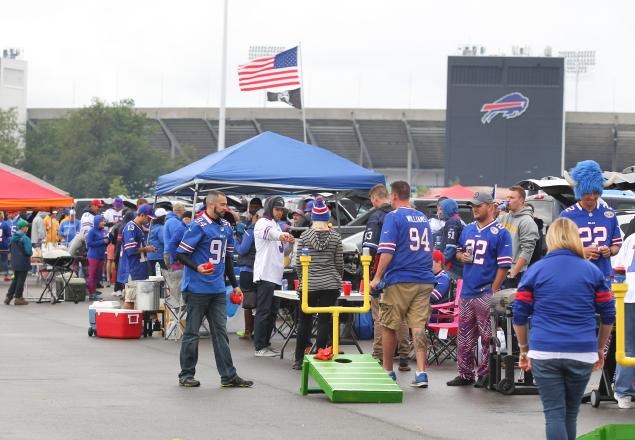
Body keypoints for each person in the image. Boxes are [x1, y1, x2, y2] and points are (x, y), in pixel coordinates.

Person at [513, 218, 614, 440]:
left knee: (554, 414)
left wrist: (523, 349)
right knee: (571, 413)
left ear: (551, 238)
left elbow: (519, 314)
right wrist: (598, 349)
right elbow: (608, 315)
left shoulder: (535, 270)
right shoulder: (592, 271)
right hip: (582, 349)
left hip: (544, 349)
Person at [176, 191, 253, 388]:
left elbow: (227, 259)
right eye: (222, 204)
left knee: (221, 332)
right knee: (192, 332)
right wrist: (198, 267)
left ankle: (228, 375)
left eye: (226, 204)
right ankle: (186, 374)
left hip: (218, 288)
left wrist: (235, 286)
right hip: (196, 288)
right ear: (210, 205)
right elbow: (181, 253)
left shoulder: (226, 226)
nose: (225, 208)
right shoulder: (197, 225)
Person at [370, 181, 436, 387]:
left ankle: (387, 371)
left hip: (400, 278)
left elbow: (387, 250)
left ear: (394, 196)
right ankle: (421, 372)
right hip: (424, 278)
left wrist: (377, 277)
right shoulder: (423, 218)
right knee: (418, 326)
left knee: (389, 325)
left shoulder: (393, 217)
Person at [447, 191, 512, 388]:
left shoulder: (501, 232)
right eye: (473, 205)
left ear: (491, 206)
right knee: (464, 336)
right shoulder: (467, 230)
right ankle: (465, 373)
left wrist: (493, 289)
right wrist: (460, 257)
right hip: (467, 290)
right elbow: (458, 251)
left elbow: (504, 265)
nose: (474, 209)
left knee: (487, 336)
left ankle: (486, 373)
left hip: (485, 290)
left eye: (479, 205)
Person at [363, 183, 411, 371]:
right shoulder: (403, 216)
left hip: (382, 274)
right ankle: (405, 355)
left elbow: (370, 248)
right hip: (403, 273)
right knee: (402, 316)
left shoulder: (376, 217)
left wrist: (372, 275)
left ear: (374, 198)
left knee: (379, 316)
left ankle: (377, 354)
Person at [292, 198, 343, 370]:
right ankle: (320, 357)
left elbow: (298, 263)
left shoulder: (305, 236)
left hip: (308, 285)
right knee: (324, 322)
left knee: (304, 322)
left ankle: (298, 359)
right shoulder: (335, 237)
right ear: (328, 218)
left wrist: (303, 279)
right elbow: (339, 263)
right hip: (330, 285)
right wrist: (337, 278)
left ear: (313, 217)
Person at [561, 160, 622, 279]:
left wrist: (609, 251)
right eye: (587, 193)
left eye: (596, 192)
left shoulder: (609, 214)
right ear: (579, 191)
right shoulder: (566, 216)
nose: (592, 197)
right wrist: (581, 252)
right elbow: (558, 249)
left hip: (603, 277)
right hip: (576, 277)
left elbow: (617, 245)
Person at [253, 196, 295, 357]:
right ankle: (259, 347)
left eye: (281, 210)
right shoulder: (262, 223)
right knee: (263, 311)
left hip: (276, 275)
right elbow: (268, 234)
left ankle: (266, 344)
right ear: (270, 208)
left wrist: (290, 242)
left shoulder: (276, 225)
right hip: (265, 274)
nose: (280, 212)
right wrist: (282, 235)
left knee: (272, 312)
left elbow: (283, 252)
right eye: (277, 209)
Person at [499, 186, 539, 288]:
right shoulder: (505, 217)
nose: (508, 200)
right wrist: (493, 211)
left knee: (509, 303)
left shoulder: (527, 221)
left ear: (521, 200)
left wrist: (512, 274)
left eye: (512, 198)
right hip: (500, 270)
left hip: (515, 274)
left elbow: (527, 250)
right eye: (507, 197)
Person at [612, 233, 635, 409]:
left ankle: (623, 392)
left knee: (628, 346)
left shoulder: (631, 238)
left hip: (627, 296)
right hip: (628, 297)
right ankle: (623, 391)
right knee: (628, 347)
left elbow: (618, 269)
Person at [117, 205, 156, 309]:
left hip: (138, 269)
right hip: (132, 269)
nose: (149, 221)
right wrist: (146, 249)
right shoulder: (131, 227)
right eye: (148, 218)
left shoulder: (138, 227)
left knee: (136, 301)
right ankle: (124, 324)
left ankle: (133, 324)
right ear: (142, 215)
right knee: (130, 301)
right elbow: (131, 250)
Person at [235, 209, 261, 340]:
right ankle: (256, 331)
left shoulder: (250, 231)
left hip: (248, 269)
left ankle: (248, 331)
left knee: (248, 303)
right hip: (260, 270)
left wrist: (236, 241)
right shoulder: (266, 231)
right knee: (258, 302)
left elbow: (242, 250)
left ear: (254, 217)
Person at [4, 220, 32, 305]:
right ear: (23, 228)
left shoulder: (12, 238)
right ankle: (18, 298)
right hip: (23, 262)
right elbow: (28, 252)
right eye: (26, 226)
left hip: (15, 262)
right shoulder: (25, 238)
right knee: (21, 280)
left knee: (15, 279)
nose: (27, 228)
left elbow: (10, 249)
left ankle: (8, 297)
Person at [438, 198, 465, 280]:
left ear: (447, 209)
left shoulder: (452, 222)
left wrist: (440, 262)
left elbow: (451, 247)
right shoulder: (457, 220)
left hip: (454, 268)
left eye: (441, 209)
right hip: (459, 266)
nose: (439, 212)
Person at [86, 215, 109, 300]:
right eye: (101, 221)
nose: (104, 223)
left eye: (104, 221)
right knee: (92, 275)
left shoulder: (103, 231)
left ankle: (94, 290)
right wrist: (102, 241)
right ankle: (91, 294)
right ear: (97, 222)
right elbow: (89, 243)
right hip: (93, 256)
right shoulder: (92, 231)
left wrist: (107, 240)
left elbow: (105, 242)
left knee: (98, 275)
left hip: (101, 255)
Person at [147, 208, 167, 276]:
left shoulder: (151, 227)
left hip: (150, 255)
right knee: (162, 276)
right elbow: (163, 240)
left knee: (151, 276)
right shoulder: (161, 228)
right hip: (159, 256)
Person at [0, 212, 12, 282]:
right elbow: (9, 235)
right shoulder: (5, 224)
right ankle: (6, 275)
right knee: (4, 260)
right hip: (3, 244)